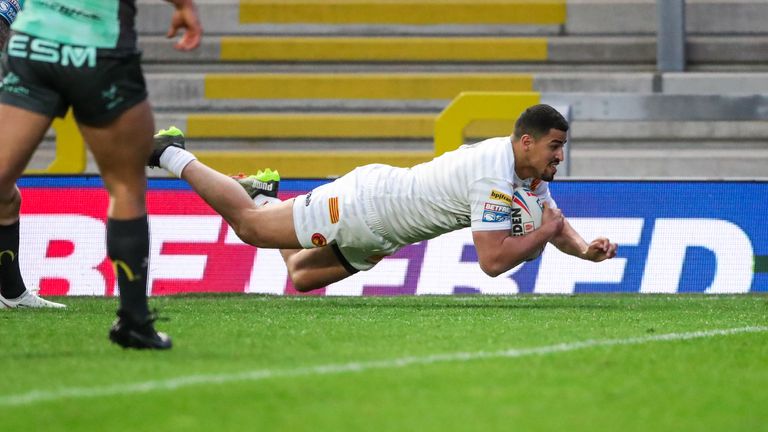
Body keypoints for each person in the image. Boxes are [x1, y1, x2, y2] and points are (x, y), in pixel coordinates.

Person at [150, 104, 618, 291]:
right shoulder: (493, 173)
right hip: (363, 205)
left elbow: (552, 217)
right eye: (555, 146)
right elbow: (492, 262)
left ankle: (269, 196)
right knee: (251, 228)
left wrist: (584, 251)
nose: (561, 156)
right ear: (527, 142)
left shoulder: (530, 176)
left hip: (385, 234)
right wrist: (548, 233)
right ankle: (168, 152)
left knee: (301, 277)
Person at [0, 0, 202, 350]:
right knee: (125, 186)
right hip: (98, 46)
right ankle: (135, 322)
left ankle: (11, 293)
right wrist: (183, 6)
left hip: (34, 43)